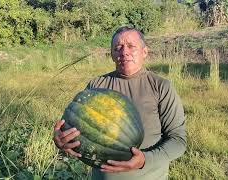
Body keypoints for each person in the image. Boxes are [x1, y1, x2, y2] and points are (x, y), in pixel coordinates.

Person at [53, 26, 186, 180]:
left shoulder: (161, 86)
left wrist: (144, 160)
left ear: (144, 52)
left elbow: (178, 141)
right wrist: (62, 141)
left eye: (131, 46)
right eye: (118, 48)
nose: (124, 52)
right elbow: (80, 131)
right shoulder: (96, 86)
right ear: (112, 55)